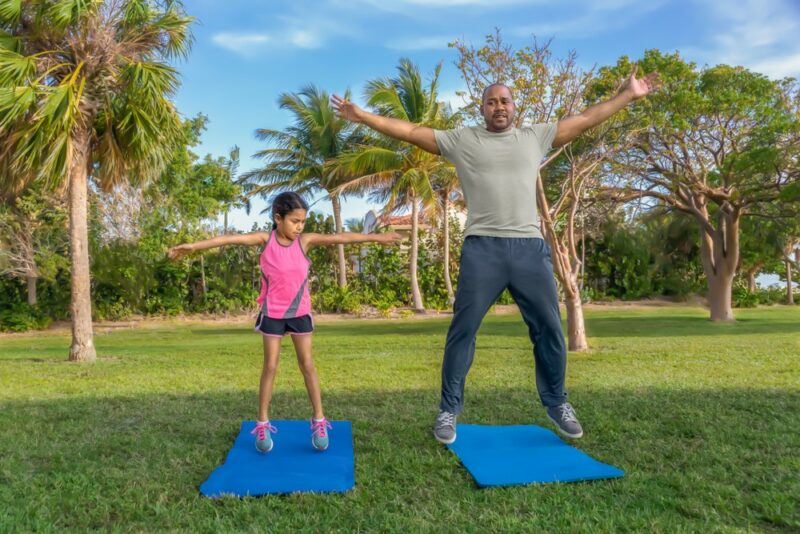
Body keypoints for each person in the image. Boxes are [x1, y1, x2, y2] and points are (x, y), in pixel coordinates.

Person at [332, 66, 660, 444]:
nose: (498, 107)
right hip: (482, 248)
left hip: (529, 248)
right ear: (482, 108)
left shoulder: (534, 137)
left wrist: (628, 96)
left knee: (549, 329)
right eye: (491, 102)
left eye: (504, 101)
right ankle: (448, 410)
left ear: (513, 106)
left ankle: (557, 402)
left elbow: (585, 119)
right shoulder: (462, 140)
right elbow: (408, 131)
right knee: (463, 330)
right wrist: (362, 117)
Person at [169, 191, 402, 452]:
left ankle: (319, 420)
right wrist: (192, 247)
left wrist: (378, 237)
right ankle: (263, 423)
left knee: (308, 365)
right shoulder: (264, 239)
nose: (299, 226)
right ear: (277, 218)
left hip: (300, 313)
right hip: (273, 314)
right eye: (295, 221)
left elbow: (343, 237)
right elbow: (228, 239)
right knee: (270, 366)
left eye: (303, 221)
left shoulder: (305, 241)